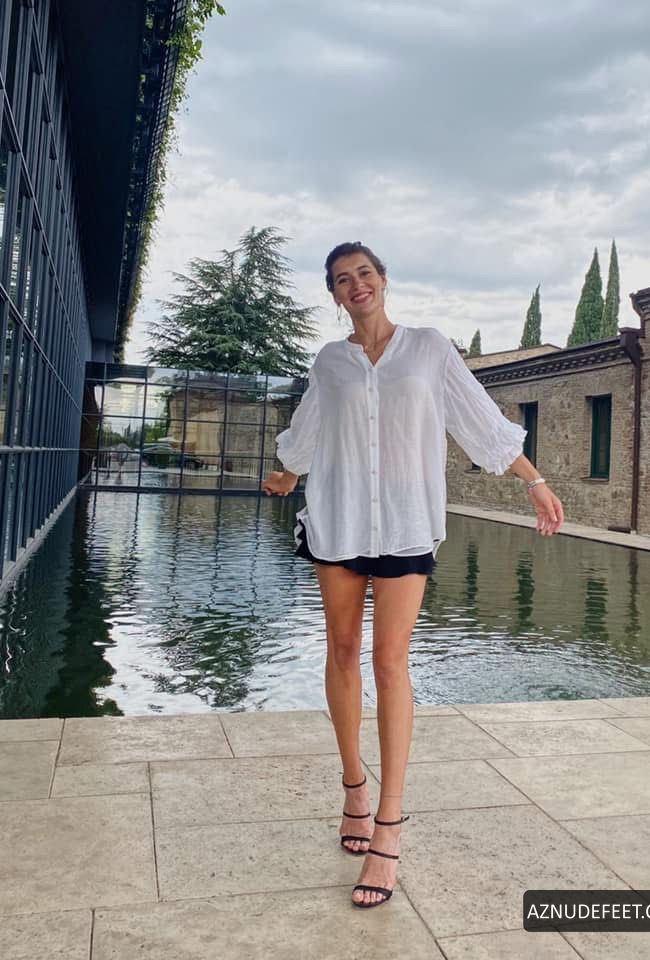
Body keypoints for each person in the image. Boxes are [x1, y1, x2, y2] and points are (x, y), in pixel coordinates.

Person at [261, 242, 565, 909]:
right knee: (342, 651)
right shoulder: (330, 361)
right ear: (333, 294)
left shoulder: (429, 348)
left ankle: (389, 826)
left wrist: (534, 481)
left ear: (383, 280)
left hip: (404, 523)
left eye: (365, 273)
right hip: (339, 520)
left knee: (389, 660)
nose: (356, 285)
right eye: (343, 279)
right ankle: (354, 790)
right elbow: (308, 430)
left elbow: (480, 420)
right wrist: (286, 473)